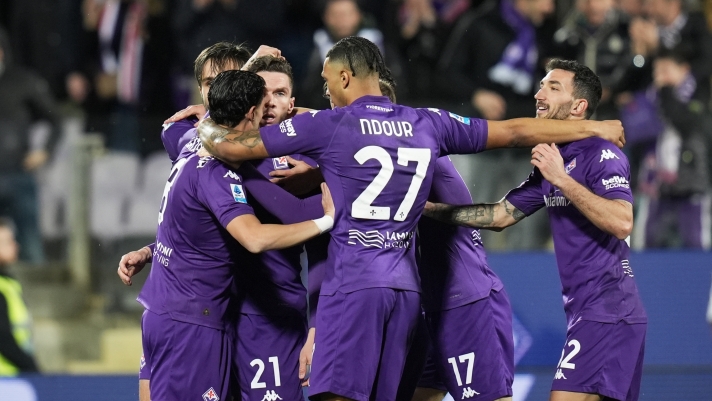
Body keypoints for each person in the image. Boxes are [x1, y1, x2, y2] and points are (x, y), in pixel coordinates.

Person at [198, 37, 625, 401]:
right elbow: (514, 131)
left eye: (328, 85)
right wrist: (593, 128)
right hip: (406, 292)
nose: (326, 95)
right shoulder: (428, 124)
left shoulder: (331, 126)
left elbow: (232, 145)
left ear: (345, 78)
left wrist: (201, 123)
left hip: (361, 287)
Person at [424, 59, 647, 401]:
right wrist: (429, 210)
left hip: (608, 311)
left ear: (579, 107)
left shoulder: (601, 153)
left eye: (553, 87)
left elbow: (621, 222)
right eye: (541, 85)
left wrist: (561, 178)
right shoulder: (552, 161)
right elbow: (499, 215)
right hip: (587, 312)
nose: (539, 93)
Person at [130, 70, 334, 401]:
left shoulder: (193, 147)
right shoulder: (219, 168)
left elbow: (191, 227)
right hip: (194, 320)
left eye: (280, 95)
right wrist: (328, 215)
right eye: (263, 99)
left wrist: (151, 250)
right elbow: (254, 237)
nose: (269, 106)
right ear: (251, 111)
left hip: (190, 315)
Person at [0, 217, 38, 376]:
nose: (16, 245)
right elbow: (3, 339)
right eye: (8, 242)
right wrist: (32, 369)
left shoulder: (8, 283)